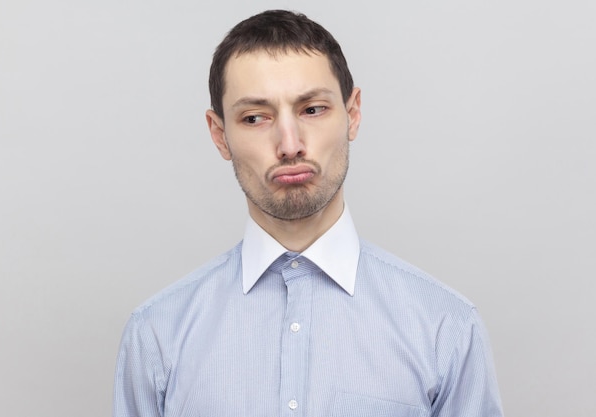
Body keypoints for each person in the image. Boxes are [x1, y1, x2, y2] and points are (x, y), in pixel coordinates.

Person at [113, 9, 504, 417]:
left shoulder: (446, 328)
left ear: (352, 114)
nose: (290, 145)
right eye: (255, 117)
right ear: (219, 134)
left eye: (312, 109)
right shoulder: (156, 336)